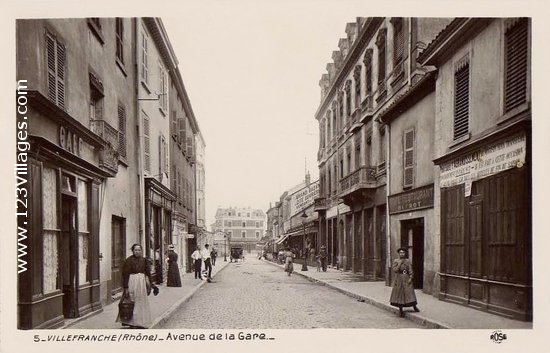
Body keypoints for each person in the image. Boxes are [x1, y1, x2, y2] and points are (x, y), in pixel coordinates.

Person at [116, 244, 158, 329]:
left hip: (141, 283)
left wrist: (152, 285)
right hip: (132, 281)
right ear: (133, 251)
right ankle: (132, 322)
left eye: (139, 250)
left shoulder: (144, 260)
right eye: (135, 250)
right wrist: (126, 287)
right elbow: (125, 275)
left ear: (141, 251)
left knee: (141, 301)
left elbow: (148, 273)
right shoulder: (128, 261)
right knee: (132, 301)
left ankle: (140, 322)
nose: (137, 252)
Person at [390, 247, 420, 317]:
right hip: (399, 278)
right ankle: (401, 310)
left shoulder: (408, 261)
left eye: (403, 253)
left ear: (405, 253)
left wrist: (411, 277)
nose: (402, 254)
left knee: (409, 292)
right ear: (398, 254)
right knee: (400, 293)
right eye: (400, 253)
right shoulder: (396, 261)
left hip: (406, 277)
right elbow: (395, 270)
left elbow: (410, 270)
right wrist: (400, 263)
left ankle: (414, 306)